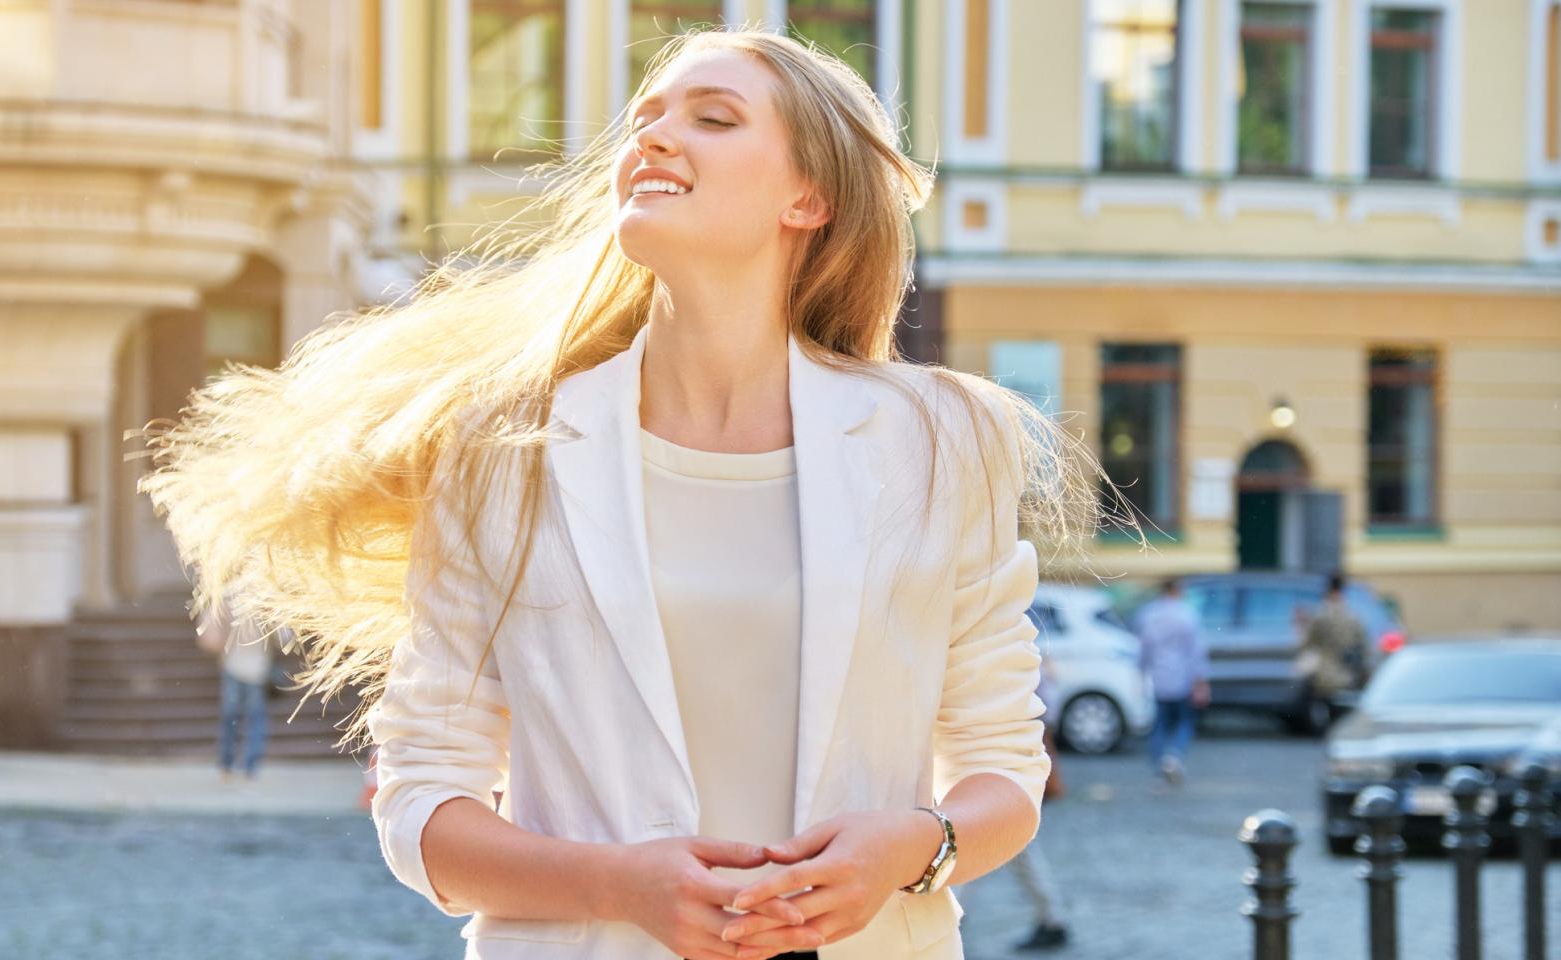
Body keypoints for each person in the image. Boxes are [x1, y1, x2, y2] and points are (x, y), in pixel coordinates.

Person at [140, 26, 1135, 960]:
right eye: (644, 118)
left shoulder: (941, 437)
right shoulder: (503, 445)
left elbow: (1004, 774)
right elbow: (420, 809)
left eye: (710, 116)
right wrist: (618, 887)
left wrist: (913, 849)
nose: (651, 133)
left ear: (808, 199)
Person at [1009, 659, 1069, 951]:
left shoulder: (1022, 647)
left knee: (1017, 844)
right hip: (1014, 762)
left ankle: (1052, 919)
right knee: (1020, 848)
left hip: (1012, 763)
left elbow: (1047, 709)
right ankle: (1052, 918)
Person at [195, 594, 285, 781]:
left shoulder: (259, 597)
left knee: (238, 717)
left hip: (249, 667)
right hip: (241, 666)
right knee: (246, 718)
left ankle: (236, 765)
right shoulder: (245, 596)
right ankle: (242, 766)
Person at [1135, 579, 1211, 788]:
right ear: (1177, 591)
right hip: (1183, 676)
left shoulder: (1149, 614)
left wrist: (1140, 673)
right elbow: (1196, 650)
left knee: (1159, 723)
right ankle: (1175, 754)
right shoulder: (1187, 614)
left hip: (1158, 677)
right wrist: (1201, 679)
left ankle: (1159, 769)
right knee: (1184, 721)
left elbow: (1143, 650)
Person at [1300, 572, 1368, 718]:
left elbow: (1309, 644)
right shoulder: (1353, 616)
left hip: (1325, 677)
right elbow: (1362, 645)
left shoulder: (1320, 616)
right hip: (1348, 676)